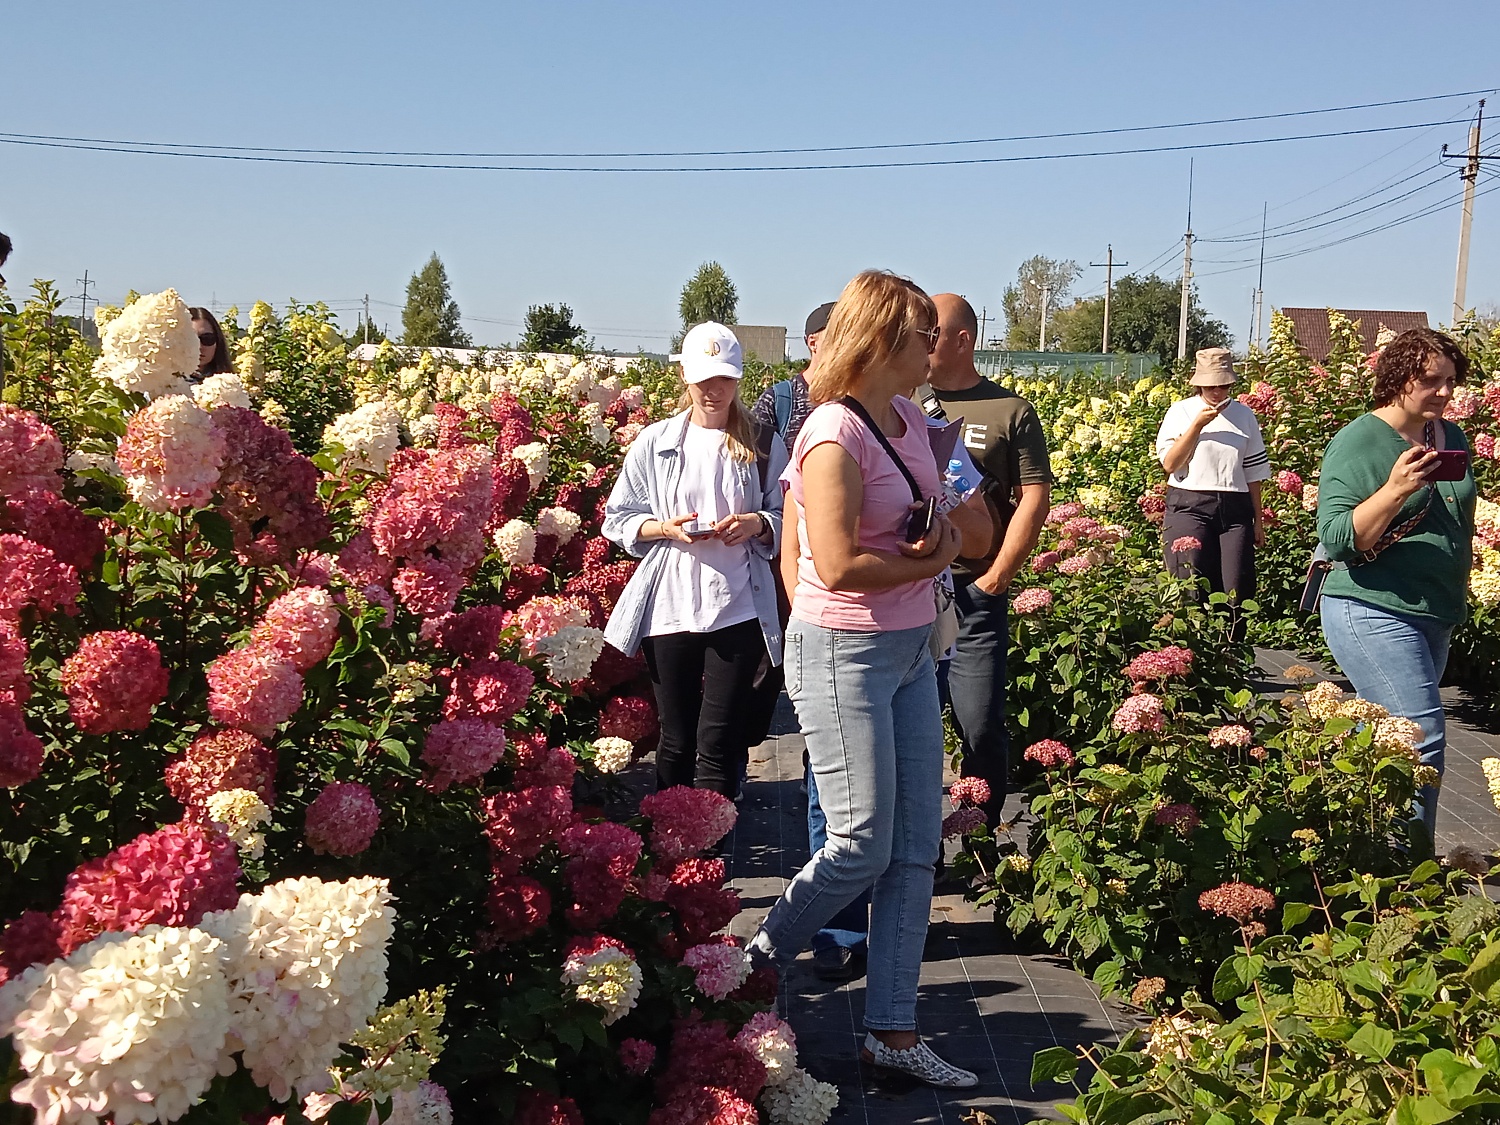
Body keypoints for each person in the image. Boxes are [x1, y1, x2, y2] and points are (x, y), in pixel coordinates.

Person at [750, 270, 977, 1088]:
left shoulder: (911, 421)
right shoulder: (829, 435)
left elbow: (953, 519)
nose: (936, 347)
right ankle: (751, 965)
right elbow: (836, 563)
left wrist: (941, 548)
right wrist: (937, 553)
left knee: (916, 848)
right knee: (858, 842)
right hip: (843, 650)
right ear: (886, 339)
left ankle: (892, 1028)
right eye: (925, 334)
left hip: (915, 645)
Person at [601, 321, 787, 799]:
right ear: (686, 377)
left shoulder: (763, 444)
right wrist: (664, 529)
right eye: (705, 379)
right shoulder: (655, 442)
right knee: (677, 737)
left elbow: (793, 516)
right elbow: (619, 517)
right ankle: (668, 838)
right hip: (671, 605)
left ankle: (713, 848)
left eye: (724, 379)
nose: (714, 390)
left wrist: (758, 524)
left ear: (738, 379)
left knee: (719, 739)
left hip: (737, 605)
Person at [1317, 327, 1476, 847]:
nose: (1445, 393)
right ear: (1398, 378)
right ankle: (1410, 871)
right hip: (1372, 606)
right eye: (1432, 381)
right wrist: (1394, 490)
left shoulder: (1449, 436)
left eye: (1452, 381)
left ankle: (1353, 844)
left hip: (1433, 608)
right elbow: (1339, 539)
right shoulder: (1360, 440)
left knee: (1382, 739)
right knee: (1418, 739)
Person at [924, 293, 1052, 824]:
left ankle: (979, 834)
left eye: (933, 333)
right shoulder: (903, 402)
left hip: (975, 594)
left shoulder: (1009, 411)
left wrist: (998, 578)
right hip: (910, 590)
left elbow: (1035, 498)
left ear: (963, 339)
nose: (922, 343)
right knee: (916, 727)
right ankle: (921, 843)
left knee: (978, 723)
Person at [1154, 348, 1270, 604]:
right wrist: (1197, 426)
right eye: (1210, 386)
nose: (1217, 392)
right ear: (1199, 385)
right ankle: (1191, 642)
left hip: (1235, 506)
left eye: (1222, 385)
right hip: (1189, 503)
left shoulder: (1244, 415)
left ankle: (1231, 642)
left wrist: (1258, 521)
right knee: (1189, 581)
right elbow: (1171, 464)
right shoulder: (1181, 411)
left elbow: (1253, 472)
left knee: (1236, 587)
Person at [751, 301, 833, 448]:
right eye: (838, 335)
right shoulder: (778, 401)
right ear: (813, 343)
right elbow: (752, 463)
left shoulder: (863, 399)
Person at [189, 307, 233, 379]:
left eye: (207, 339)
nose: (199, 346)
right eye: (191, 339)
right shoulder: (167, 384)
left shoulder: (230, 384)